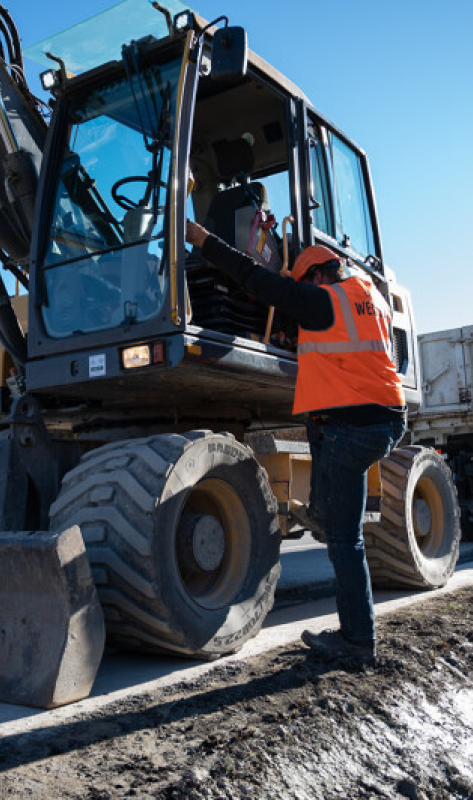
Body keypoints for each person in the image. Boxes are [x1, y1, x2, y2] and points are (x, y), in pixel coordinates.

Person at [185, 220, 407, 667]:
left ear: (317, 276)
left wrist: (203, 239)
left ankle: (357, 642)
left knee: (345, 543)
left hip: (350, 426)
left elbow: (255, 277)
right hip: (376, 420)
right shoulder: (367, 300)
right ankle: (323, 518)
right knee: (338, 522)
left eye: (302, 284)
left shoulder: (323, 300)